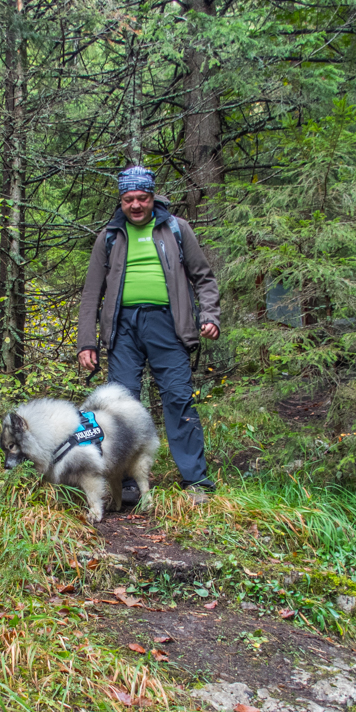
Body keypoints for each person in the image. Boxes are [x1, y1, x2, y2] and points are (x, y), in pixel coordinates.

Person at [77, 166, 220, 495]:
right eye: (129, 199)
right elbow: (91, 293)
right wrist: (87, 342)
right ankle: (125, 483)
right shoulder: (110, 236)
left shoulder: (176, 229)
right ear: (121, 200)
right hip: (122, 329)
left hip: (168, 325)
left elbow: (204, 278)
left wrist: (209, 314)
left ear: (153, 197)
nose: (136, 205)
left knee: (179, 399)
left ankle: (195, 481)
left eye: (142, 198)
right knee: (120, 406)